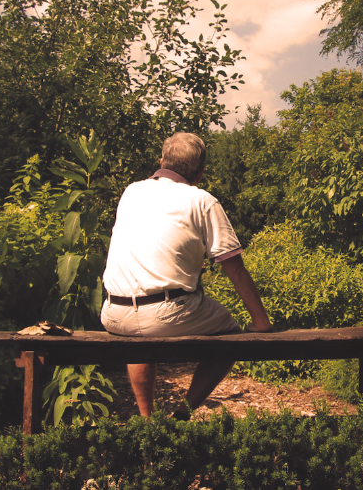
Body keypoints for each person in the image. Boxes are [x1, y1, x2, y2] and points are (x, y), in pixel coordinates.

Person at [101, 132, 273, 420]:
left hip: (113, 313)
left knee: (139, 335)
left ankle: (147, 419)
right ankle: (182, 414)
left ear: (161, 161)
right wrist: (262, 322)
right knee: (232, 336)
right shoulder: (202, 200)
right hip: (165, 313)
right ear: (200, 172)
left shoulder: (131, 191)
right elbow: (234, 267)